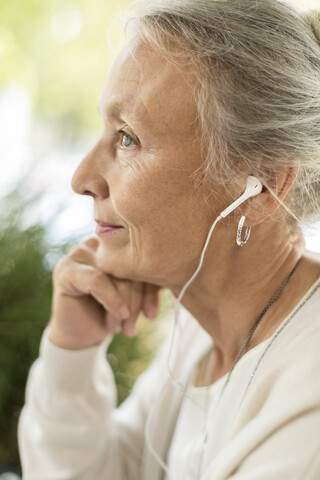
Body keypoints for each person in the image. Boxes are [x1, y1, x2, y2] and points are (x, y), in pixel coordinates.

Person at [18, 0, 320, 479]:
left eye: (127, 138)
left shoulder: (309, 410)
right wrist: (71, 353)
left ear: (259, 188)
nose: (81, 178)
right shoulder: (201, 339)